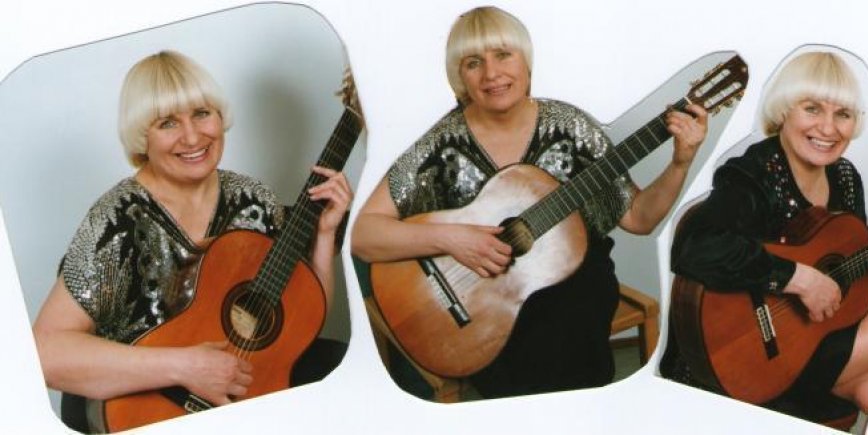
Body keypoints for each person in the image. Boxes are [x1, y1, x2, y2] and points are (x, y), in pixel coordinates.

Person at [352, 6, 707, 399]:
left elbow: (639, 218)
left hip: (576, 287)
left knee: (570, 312)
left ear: (526, 61)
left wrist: (680, 162)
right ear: (459, 77)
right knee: (532, 342)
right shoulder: (440, 144)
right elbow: (364, 235)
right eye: (473, 63)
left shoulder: (572, 127)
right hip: (483, 301)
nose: (492, 74)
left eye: (503, 55)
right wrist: (453, 239)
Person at [31, 50, 352, 432]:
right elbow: (45, 352)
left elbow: (299, 320)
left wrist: (324, 234)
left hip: (244, 389)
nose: (193, 136)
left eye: (202, 113)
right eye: (167, 122)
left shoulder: (252, 199)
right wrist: (185, 366)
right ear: (142, 137)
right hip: (148, 408)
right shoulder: (117, 219)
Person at [664, 51, 868, 421]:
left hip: (807, 348)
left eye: (842, 114)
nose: (828, 128)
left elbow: (854, 274)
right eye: (812, 108)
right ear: (784, 111)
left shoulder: (844, 178)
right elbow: (694, 247)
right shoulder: (752, 174)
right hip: (741, 364)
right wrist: (799, 279)